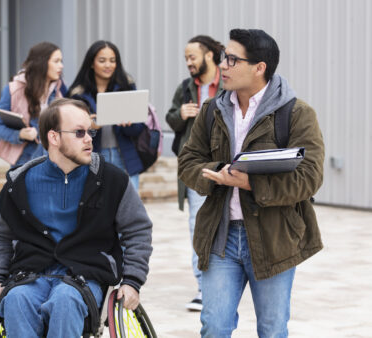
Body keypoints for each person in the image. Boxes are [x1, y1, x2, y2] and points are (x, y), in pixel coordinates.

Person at [178, 29, 324, 337]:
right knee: (213, 327)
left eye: (232, 59)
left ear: (260, 68)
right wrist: (219, 172)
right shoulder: (212, 111)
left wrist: (252, 185)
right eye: (223, 58)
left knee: (272, 330)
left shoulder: (297, 114)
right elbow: (188, 162)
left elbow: (309, 177)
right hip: (221, 237)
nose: (224, 66)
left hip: (274, 238)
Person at [0, 98, 152, 337]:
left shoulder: (112, 180)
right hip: (31, 275)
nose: (89, 139)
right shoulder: (19, 183)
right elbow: (0, 237)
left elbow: (137, 230)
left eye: (90, 132)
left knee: (65, 300)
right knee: (15, 300)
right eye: (79, 132)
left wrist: (132, 281)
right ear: (54, 137)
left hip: (86, 277)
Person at [165, 34, 224, 311]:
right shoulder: (186, 88)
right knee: (198, 226)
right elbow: (171, 117)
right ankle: (204, 289)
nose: (188, 62)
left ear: (209, 56)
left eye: (192, 57)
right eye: (186, 58)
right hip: (198, 170)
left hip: (228, 166)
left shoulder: (228, 83)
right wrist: (182, 114)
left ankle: (226, 282)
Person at [68, 40, 144, 189]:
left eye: (112, 61)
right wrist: (89, 127)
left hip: (124, 156)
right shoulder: (78, 94)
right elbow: (69, 131)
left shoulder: (127, 87)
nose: (108, 65)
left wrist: (129, 124)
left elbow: (138, 129)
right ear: (91, 63)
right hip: (92, 156)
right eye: (102, 61)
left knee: (129, 207)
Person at [0, 41, 67, 167]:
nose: (61, 66)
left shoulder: (60, 88)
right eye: (56, 61)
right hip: (25, 161)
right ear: (42, 62)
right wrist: (19, 134)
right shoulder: (14, 89)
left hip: (55, 161)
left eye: (61, 61)